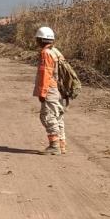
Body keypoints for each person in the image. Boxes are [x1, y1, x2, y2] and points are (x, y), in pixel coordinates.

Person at [33, 26, 68, 155]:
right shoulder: (56, 52)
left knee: (47, 116)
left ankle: (54, 146)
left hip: (50, 89)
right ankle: (61, 144)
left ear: (41, 40)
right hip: (58, 88)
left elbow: (45, 74)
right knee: (58, 116)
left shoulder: (45, 53)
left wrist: (42, 93)